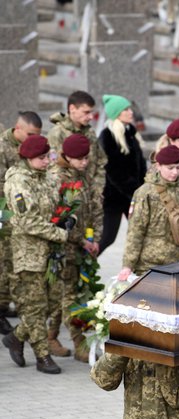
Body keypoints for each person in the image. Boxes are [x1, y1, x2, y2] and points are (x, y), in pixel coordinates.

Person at [2, 135, 69, 374]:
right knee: (34, 307)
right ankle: (43, 357)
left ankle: (15, 337)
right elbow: (27, 221)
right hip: (27, 254)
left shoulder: (46, 177)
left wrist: (64, 218)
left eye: (47, 156)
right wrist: (60, 233)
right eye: (41, 158)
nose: (47, 161)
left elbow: (54, 206)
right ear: (28, 158)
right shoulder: (18, 181)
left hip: (49, 252)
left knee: (52, 303)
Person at [48, 134, 103, 362]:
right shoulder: (57, 178)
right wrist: (82, 240)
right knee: (67, 296)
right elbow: (59, 216)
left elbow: (93, 208)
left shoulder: (83, 175)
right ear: (67, 157)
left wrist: (96, 238)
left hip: (83, 245)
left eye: (86, 158)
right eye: (80, 159)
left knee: (65, 295)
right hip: (64, 246)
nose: (85, 162)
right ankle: (79, 343)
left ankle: (48, 336)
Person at [117, 145, 179, 281]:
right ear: (158, 166)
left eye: (178, 167)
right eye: (170, 168)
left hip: (178, 263)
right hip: (148, 265)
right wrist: (128, 265)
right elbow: (136, 231)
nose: (175, 172)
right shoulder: (145, 193)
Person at [0, 111, 42, 335]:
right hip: (4, 214)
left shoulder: (31, 149)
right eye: (30, 134)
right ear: (17, 128)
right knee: (4, 263)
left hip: (20, 217)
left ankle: (5, 304)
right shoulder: (2, 148)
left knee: (11, 264)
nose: (33, 139)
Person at [97, 94, 147, 255]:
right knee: (108, 237)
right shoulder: (109, 136)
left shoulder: (130, 132)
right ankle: (84, 268)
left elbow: (139, 164)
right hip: (116, 197)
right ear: (116, 113)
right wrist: (134, 191)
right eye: (125, 109)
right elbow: (113, 170)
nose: (130, 112)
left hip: (132, 195)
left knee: (142, 234)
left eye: (129, 108)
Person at [47, 90, 107, 195]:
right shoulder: (57, 134)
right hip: (71, 196)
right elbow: (53, 166)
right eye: (86, 112)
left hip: (92, 196)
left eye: (91, 112)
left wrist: (97, 188)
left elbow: (101, 161)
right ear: (72, 109)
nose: (91, 117)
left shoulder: (89, 133)